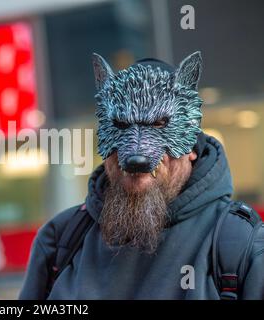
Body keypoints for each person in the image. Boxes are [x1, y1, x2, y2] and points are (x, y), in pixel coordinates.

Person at [19, 52, 264, 300]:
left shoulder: (242, 244)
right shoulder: (61, 239)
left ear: (191, 146)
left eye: (159, 124)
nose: (136, 154)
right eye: (122, 126)